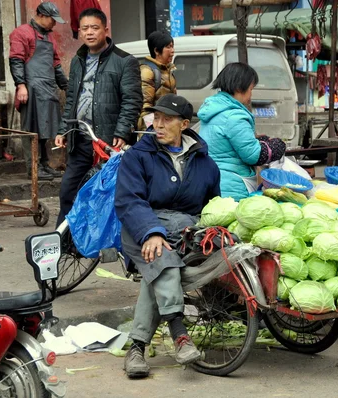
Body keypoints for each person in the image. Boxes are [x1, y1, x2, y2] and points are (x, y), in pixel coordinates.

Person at [115, 94, 221, 379]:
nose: (158, 125)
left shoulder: (205, 164)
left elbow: (212, 207)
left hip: (185, 233)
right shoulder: (137, 156)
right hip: (141, 230)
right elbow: (129, 201)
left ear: (184, 124)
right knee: (162, 258)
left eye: (167, 120)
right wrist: (150, 232)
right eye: (156, 119)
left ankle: (136, 348)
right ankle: (180, 334)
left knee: (161, 269)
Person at [55, 8, 143, 227]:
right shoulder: (78, 61)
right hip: (81, 139)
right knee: (68, 191)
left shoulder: (124, 61)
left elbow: (132, 100)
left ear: (105, 30)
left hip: (108, 141)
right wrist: (63, 129)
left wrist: (122, 131)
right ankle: (64, 242)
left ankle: (115, 240)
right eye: (84, 28)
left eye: (94, 28)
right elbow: (73, 98)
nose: (89, 33)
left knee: (110, 195)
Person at [198, 63, 286, 201]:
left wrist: (256, 140)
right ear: (239, 88)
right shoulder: (234, 116)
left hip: (213, 181)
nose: (251, 95)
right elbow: (253, 155)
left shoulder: (215, 109)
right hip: (231, 188)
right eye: (251, 89)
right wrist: (276, 146)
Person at [9, 1, 69, 181]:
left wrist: (66, 86)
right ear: (42, 15)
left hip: (48, 88)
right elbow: (16, 60)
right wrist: (21, 85)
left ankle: (44, 164)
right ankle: (32, 168)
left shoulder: (50, 37)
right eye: (52, 19)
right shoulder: (21, 33)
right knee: (31, 129)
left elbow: (56, 64)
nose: (54, 23)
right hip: (31, 88)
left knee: (45, 128)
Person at [137, 31, 177, 130]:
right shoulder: (147, 71)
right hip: (153, 130)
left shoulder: (168, 70)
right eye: (168, 47)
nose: (172, 51)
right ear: (156, 51)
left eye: (172, 46)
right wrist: (153, 130)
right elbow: (145, 107)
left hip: (166, 126)